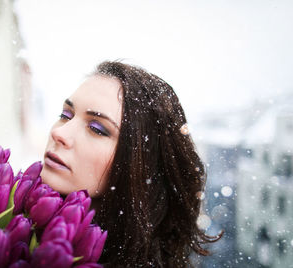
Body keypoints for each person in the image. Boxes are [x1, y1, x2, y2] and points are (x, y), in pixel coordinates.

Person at [40, 61, 221, 267]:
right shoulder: (8, 228)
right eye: (65, 115)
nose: (59, 133)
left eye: (97, 128)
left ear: (142, 165)